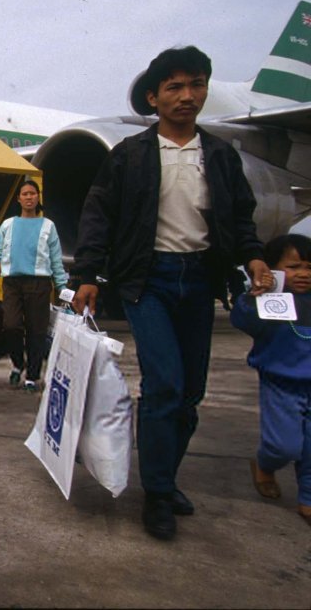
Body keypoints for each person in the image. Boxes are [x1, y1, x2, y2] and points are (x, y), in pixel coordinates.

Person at [71, 46, 272, 541]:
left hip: (200, 279)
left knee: (189, 394)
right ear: (153, 98)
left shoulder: (221, 156)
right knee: (163, 384)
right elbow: (99, 215)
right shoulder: (130, 155)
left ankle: (167, 477)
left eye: (197, 85)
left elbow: (240, 219)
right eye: (175, 87)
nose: (188, 96)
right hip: (149, 280)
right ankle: (158, 492)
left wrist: (254, 256)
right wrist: (89, 274)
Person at [229, 233, 311, 528]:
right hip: (281, 381)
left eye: (310, 268)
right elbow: (242, 320)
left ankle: (308, 499)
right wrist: (254, 298)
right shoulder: (270, 302)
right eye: (294, 267)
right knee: (285, 446)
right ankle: (265, 464)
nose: (303, 274)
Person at [0, 179, 68, 391]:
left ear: (38, 197)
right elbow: (1, 259)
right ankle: (18, 363)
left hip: (39, 284)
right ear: (18, 199)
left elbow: (56, 261)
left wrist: (64, 289)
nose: (29, 197)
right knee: (11, 326)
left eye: (33, 193)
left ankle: (32, 376)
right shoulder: (7, 225)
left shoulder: (48, 226)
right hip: (12, 283)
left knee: (36, 331)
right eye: (25, 194)